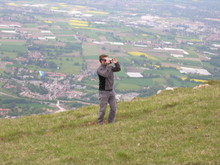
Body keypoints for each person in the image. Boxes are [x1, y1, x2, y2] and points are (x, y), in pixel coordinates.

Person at [97, 54, 121, 125]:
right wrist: (108, 65)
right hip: (103, 91)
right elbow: (105, 74)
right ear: (102, 61)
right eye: (106, 60)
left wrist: (116, 63)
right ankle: (100, 123)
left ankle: (111, 121)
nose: (108, 61)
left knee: (114, 108)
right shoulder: (100, 69)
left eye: (108, 59)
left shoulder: (109, 67)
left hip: (111, 90)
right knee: (102, 109)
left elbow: (118, 69)